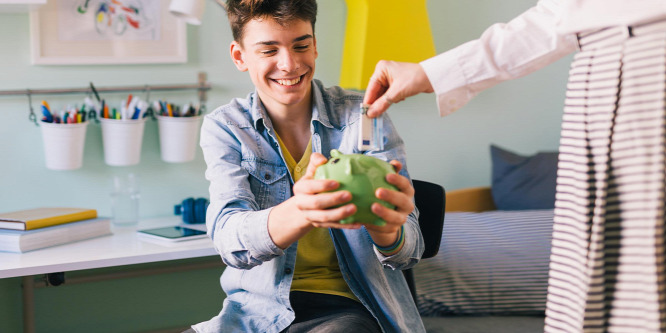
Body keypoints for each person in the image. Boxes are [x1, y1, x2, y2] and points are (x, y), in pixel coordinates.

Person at [362, 1, 666, 332]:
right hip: (607, 66)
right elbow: (556, 17)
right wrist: (431, 73)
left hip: (641, 66)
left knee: (638, 276)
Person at [190, 0, 425, 332]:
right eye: (269, 51)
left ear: (314, 46)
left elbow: (409, 250)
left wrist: (387, 227)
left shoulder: (364, 117)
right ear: (240, 56)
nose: (289, 64)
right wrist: (303, 210)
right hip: (254, 314)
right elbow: (230, 241)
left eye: (301, 45)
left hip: (351, 308)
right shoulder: (226, 127)